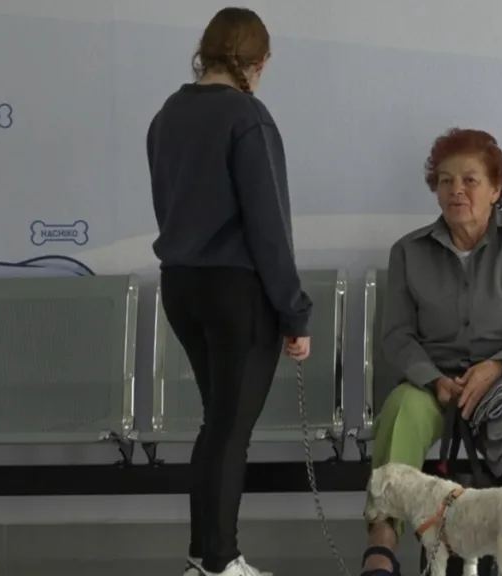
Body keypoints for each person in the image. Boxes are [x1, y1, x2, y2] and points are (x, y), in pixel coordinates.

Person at [146, 8, 313, 576]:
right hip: (236, 292)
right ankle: (219, 562)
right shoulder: (248, 117)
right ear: (258, 63)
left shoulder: (168, 114)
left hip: (180, 287)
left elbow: (168, 205)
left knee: (217, 424)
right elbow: (269, 227)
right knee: (228, 431)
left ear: (207, 52)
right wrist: (295, 313)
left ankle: (205, 558)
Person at [361, 129, 502, 576]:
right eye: (446, 181)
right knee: (401, 409)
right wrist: (432, 378)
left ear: (496, 189)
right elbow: (397, 336)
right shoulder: (409, 252)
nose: (457, 191)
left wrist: (498, 366)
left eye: (470, 180)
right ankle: (382, 541)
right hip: (434, 381)